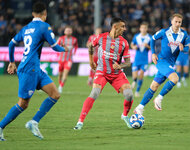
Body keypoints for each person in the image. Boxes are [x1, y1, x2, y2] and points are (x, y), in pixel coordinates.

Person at [0, 2, 67, 141]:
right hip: (28, 69)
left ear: (32, 14)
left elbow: (12, 43)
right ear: (45, 13)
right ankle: (0, 127)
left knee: (55, 94)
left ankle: (34, 122)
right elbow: (55, 47)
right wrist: (65, 49)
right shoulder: (44, 26)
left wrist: (12, 62)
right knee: (23, 104)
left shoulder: (26, 28)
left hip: (35, 68)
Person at [74, 17, 134, 130]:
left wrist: (120, 66)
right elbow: (91, 45)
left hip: (117, 74)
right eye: (122, 26)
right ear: (115, 27)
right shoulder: (101, 37)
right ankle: (80, 122)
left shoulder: (124, 43)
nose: (125, 29)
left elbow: (128, 62)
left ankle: (125, 115)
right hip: (102, 72)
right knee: (94, 93)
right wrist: (91, 61)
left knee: (129, 95)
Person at [134, 13, 190, 115]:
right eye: (176, 21)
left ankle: (139, 107)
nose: (177, 24)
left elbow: (188, 47)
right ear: (171, 22)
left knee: (154, 86)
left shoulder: (184, 34)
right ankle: (159, 98)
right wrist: (153, 53)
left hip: (170, 64)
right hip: (161, 61)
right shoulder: (164, 32)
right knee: (175, 78)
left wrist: (184, 48)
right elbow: (153, 39)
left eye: (179, 22)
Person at [130, 22, 151, 97]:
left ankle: (137, 91)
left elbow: (152, 48)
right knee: (135, 76)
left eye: (145, 28)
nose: (143, 29)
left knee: (141, 74)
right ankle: (134, 81)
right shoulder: (136, 37)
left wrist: (147, 46)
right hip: (137, 60)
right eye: (142, 28)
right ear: (140, 29)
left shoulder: (149, 37)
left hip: (144, 60)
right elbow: (132, 44)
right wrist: (133, 47)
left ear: (147, 29)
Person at [57, 26, 78, 93]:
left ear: (71, 32)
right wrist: (60, 49)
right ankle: (60, 84)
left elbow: (76, 46)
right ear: (64, 31)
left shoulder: (74, 39)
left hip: (69, 59)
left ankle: (61, 87)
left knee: (65, 74)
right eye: (67, 30)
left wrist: (74, 52)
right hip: (61, 59)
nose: (68, 31)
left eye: (70, 30)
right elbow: (56, 46)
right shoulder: (61, 39)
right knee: (60, 74)